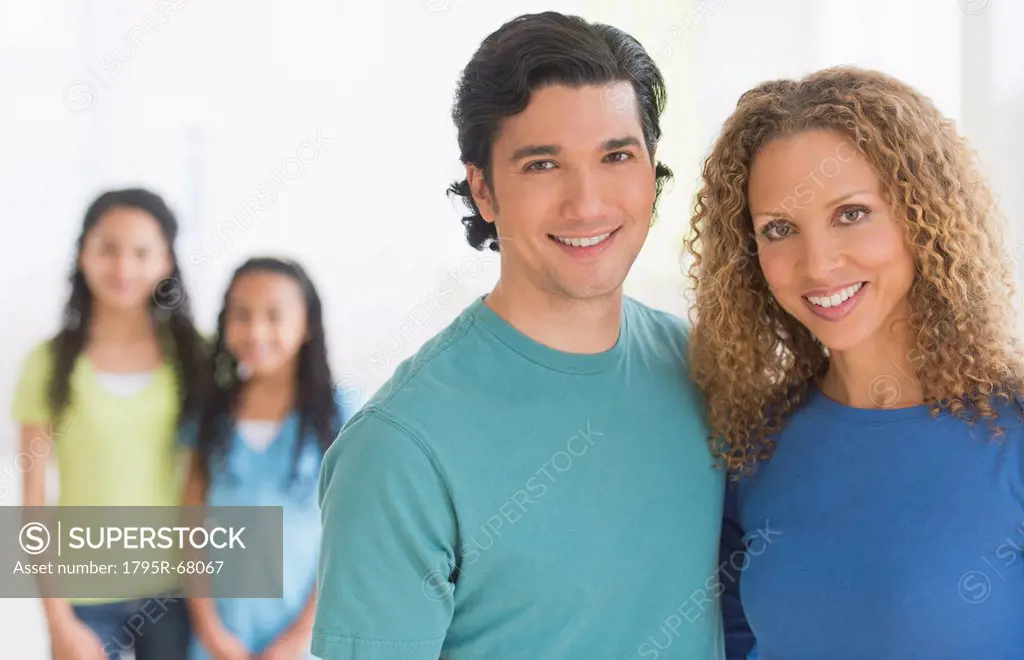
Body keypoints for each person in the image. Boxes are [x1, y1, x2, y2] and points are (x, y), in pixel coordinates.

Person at [312, 11, 725, 660]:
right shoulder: (397, 452)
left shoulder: (705, 371)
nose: (587, 202)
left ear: (652, 171)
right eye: (542, 165)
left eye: (617, 155)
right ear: (483, 188)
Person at [686, 67, 1024, 659]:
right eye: (779, 229)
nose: (817, 264)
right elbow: (737, 640)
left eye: (851, 213)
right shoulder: (756, 446)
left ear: (922, 216)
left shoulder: (1012, 434)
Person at [12, 188, 209, 660]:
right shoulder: (48, 362)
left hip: (174, 593)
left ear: (166, 261)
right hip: (82, 599)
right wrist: (58, 619)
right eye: (108, 248)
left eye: (141, 252)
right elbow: (34, 503)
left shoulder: (197, 354)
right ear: (83, 254)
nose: (123, 267)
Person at [181, 257, 348, 659]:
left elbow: (350, 539)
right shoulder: (208, 414)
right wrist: (211, 633)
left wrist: (297, 640)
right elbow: (189, 530)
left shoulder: (341, 416)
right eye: (241, 315)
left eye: (274, 316)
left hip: (306, 642)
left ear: (306, 324)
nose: (256, 331)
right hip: (218, 644)